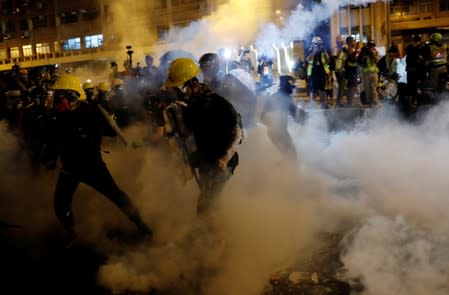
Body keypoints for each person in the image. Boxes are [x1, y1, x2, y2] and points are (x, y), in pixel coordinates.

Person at [43, 73, 152, 247]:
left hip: (92, 166)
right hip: (70, 168)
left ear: (72, 96)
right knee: (60, 204)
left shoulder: (90, 112)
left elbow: (109, 131)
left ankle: (142, 225)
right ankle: (71, 232)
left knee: (116, 196)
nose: (56, 100)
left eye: (59, 96)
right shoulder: (58, 117)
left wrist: (88, 133)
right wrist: (48, 157)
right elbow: (53, 140)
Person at [163, 58, 243, 214]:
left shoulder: (219, 105)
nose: (180, 93)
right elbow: (189, 133)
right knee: (206, 198)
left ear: (194, 84)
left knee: (207, 203)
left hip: (223, 162)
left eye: (182, 88)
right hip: (206, 158)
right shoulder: (191, 106)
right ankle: (212, 230)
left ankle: (215, 233)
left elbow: (239, 133)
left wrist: (224, 158)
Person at [261, 75, 297, 160]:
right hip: (279, 133)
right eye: (291, 85)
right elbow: (297, 116)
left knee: (288, 155)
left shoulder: (274, 96)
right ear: (286, 85)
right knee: (292, 156)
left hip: (272, 133)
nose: (293, 88)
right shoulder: (286, 98)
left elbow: (262, 117)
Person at [306, 36, 331, 108]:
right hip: (313, 72)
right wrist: (314, 52)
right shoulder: (310, 49)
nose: (319, 46)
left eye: (320, 44)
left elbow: (328, 60)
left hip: (322, 72)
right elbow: (307, 59)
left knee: (323, 89)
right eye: (317, 44)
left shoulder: (323, 50)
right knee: (313, 89)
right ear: (313, 44)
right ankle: (312, 105)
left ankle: (323, 104)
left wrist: (325, 52)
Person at [357, 40, 380, 106]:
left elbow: (377, 61)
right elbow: (359, 61)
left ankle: (375, 102)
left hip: (373, 73)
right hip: (366, 74)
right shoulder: (364, 52)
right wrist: (362, 53)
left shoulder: (375, 52)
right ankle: (369, 102)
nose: (371, 47)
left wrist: (372, 53)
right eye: (370, 46)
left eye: (372, 46)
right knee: (367, 89)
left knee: (373, 88)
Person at [405, 34, 425, 100]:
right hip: (414, 70)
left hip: (415, 71)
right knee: (413, 86)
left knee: (414, 86)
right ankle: (414, 100)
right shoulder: (412, 48)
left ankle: (414, 99)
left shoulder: (417, 48)